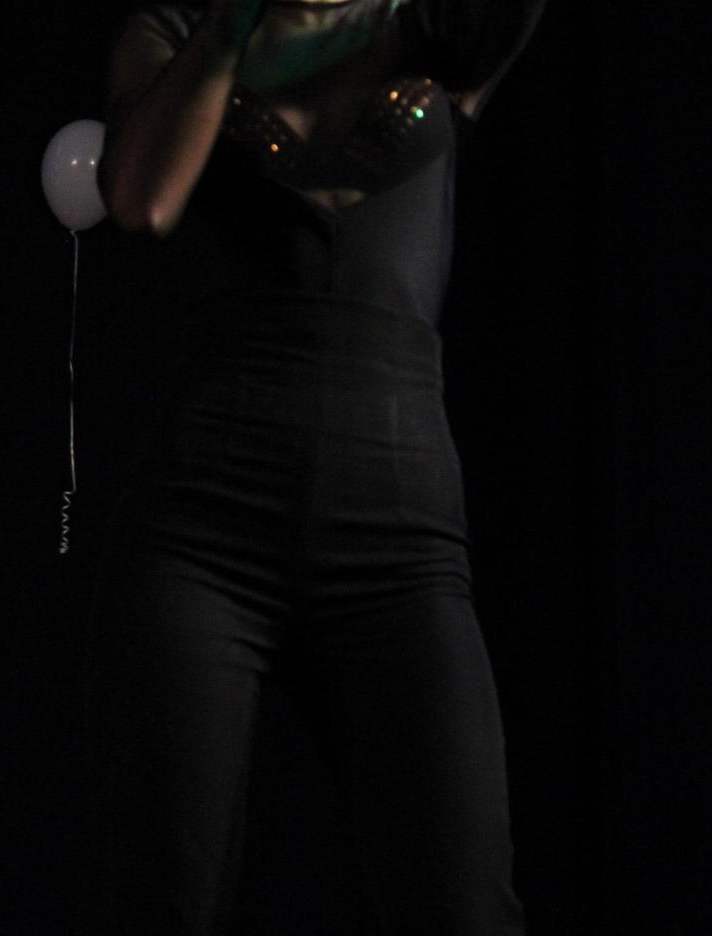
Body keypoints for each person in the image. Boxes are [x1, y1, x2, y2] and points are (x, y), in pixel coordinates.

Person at [76, 1, 546, 933]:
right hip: (203, 519)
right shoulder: (171, 30)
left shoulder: (428, 25)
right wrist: (228, 28)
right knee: (163, 898)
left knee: (463, 901)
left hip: (398, 525)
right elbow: (141, 199)